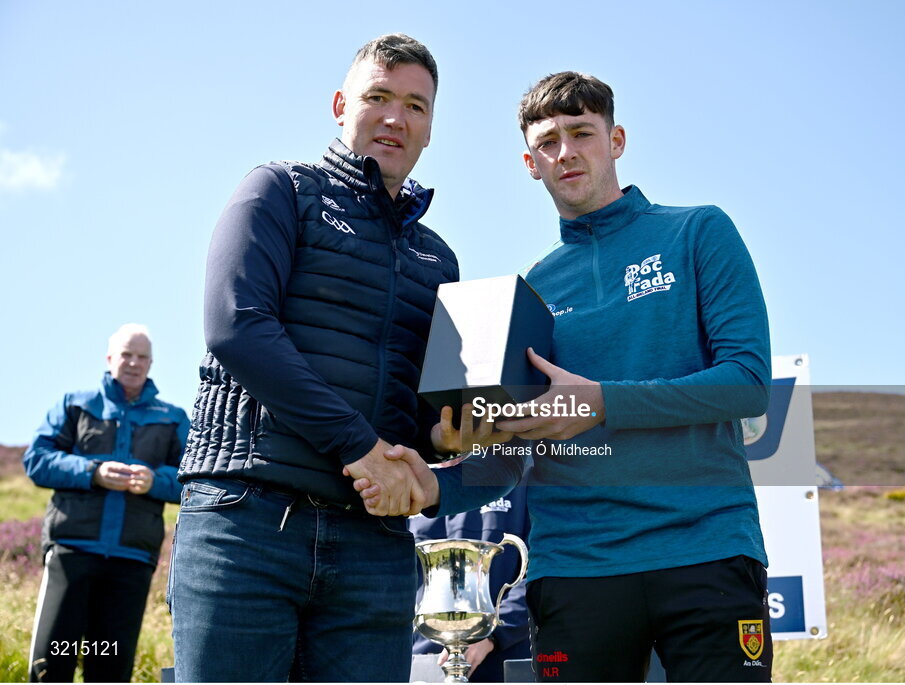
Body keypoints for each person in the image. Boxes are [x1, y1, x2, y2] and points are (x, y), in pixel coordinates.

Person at [360, 71, 774, 682]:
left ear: (617, 140)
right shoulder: (532, 290)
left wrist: (602, 402)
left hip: (705, 550)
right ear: (530, 163)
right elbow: (510, 457)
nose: (566, 152)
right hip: (574, 567)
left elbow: (746, 382)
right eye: (548, 141)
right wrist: (435, 485)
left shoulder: (697, 232)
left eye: (582, 132)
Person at [168, 33, 508, 683]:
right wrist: (360, 444)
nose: (394, 117)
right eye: (377, 96)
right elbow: (236, 327)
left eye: (415, 105)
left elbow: (427, 414)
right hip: (247, 522)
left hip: (374, 549)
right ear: (339, 104)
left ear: (431, 128)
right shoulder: (278, 190)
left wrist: (453, 436)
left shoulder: (441, 259)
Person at [23, 324, 189, 682]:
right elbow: (36, 460)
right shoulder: (75, 404)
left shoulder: (172, 417)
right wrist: (91, 472)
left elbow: (193, 480)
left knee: (110, 669)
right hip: (72, 552)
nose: (134, 363)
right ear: (109, 359)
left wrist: (155, 481)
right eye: (126, 354)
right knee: (52, 664)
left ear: (152, 363)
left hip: (132, 561)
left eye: (142, 356)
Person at [410, 464, 532, 682]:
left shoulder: (518, 476)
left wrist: (493, 634)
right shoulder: (410, 478)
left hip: (505, 655)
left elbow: (539, 568)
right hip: (424, 658)